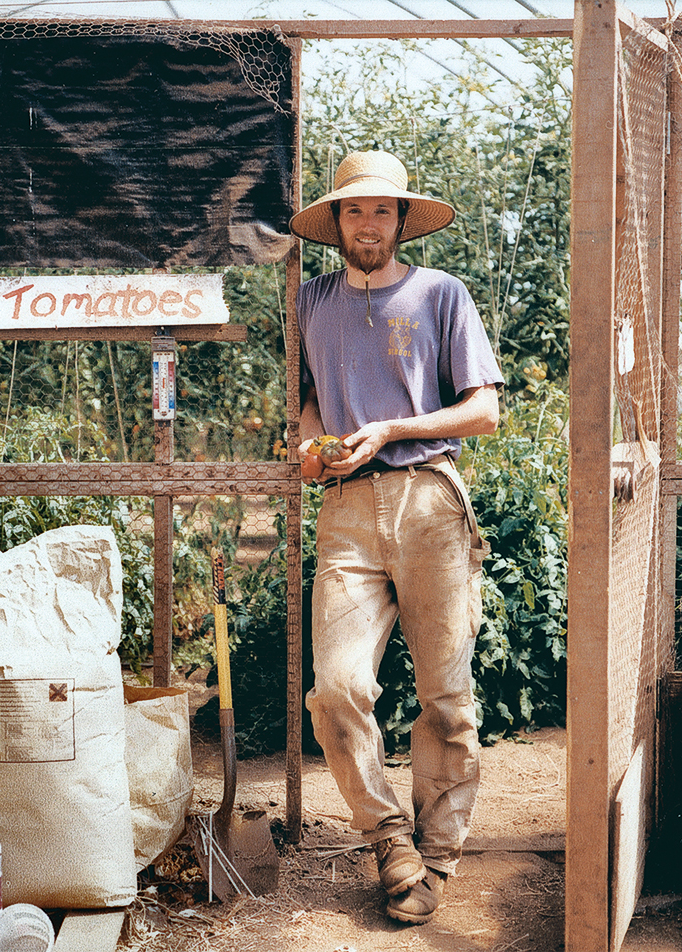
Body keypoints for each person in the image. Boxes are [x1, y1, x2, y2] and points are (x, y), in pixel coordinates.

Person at [289, 150, 503, 926]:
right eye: (354, 210)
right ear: (336, 222)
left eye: (382, 209)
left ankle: (436, 856)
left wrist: (389, 429)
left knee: (445, 694)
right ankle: (388, 840)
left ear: (402, 220)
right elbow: (310, 401)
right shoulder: (311, 299)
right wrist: (313, 445)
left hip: (428, 500)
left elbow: (483, 410)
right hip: (345, 510)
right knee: (336, 688)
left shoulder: (441, 294)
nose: (368, 223)